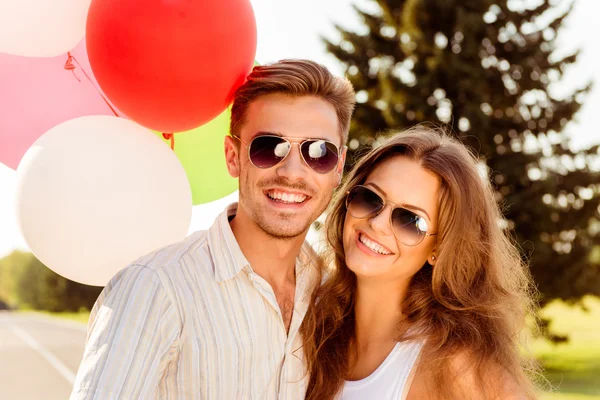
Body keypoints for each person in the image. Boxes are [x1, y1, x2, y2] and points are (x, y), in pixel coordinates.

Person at [70, 59, 355, 399]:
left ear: (337, 167)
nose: (293, 172)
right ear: (233, 156)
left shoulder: (331, 293)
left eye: (318, 152)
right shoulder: (154, 288)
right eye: (269, 147)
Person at [301, 126, 541, 399]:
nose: (377, 224)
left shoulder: (452, 364)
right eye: (370, 198)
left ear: (439, 248)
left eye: (409, 221)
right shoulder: (311, 323)